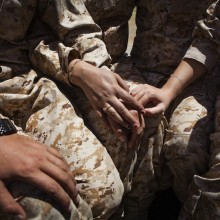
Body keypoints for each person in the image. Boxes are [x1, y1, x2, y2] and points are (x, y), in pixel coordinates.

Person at [56, 0, 220, 219]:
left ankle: (178, 206)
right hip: (140, 66)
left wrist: (169, 91)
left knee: (185, 148)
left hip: (197, 74)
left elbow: (210, 38)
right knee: (136, 121)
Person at [0, 0, 146, 219]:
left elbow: (71, 25)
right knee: (47, 210)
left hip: (22, 83)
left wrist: (93, 71)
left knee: (104, 194)